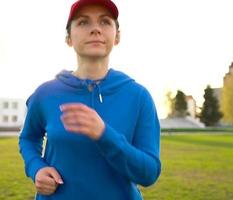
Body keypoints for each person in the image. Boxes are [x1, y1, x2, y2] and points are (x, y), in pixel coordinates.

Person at [18, 0, 161, 199]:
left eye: (105, 22)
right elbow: (28, 137)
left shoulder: (139, 97)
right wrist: (36, 168)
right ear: (68, 38)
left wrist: (103, 134)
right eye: (83, 22)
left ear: (117, 36)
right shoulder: (46, 93)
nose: (95, 29)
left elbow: (149, 173)